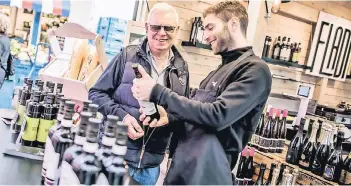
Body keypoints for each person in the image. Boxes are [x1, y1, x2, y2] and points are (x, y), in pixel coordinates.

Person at [132, 1, 272, 185]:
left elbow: (218, 115)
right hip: (183, 172)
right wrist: (169, 118)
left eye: (210, 27)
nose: (205, 36)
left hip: (207, 177)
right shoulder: (216, 72)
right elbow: (196, 118)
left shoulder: (255, 71)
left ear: (233, 24)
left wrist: (157, 92)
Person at [89, 3, 189, 185]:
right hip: (115, 157)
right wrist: (123, 117)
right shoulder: (127, 56)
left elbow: (184, 114)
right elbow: (96, 93)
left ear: (177, 30)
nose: (162, 33)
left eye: (168, 28)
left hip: (150, 168)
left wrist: (169, 118)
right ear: (146, 28)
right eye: (156, 27)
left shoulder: (181, 70)